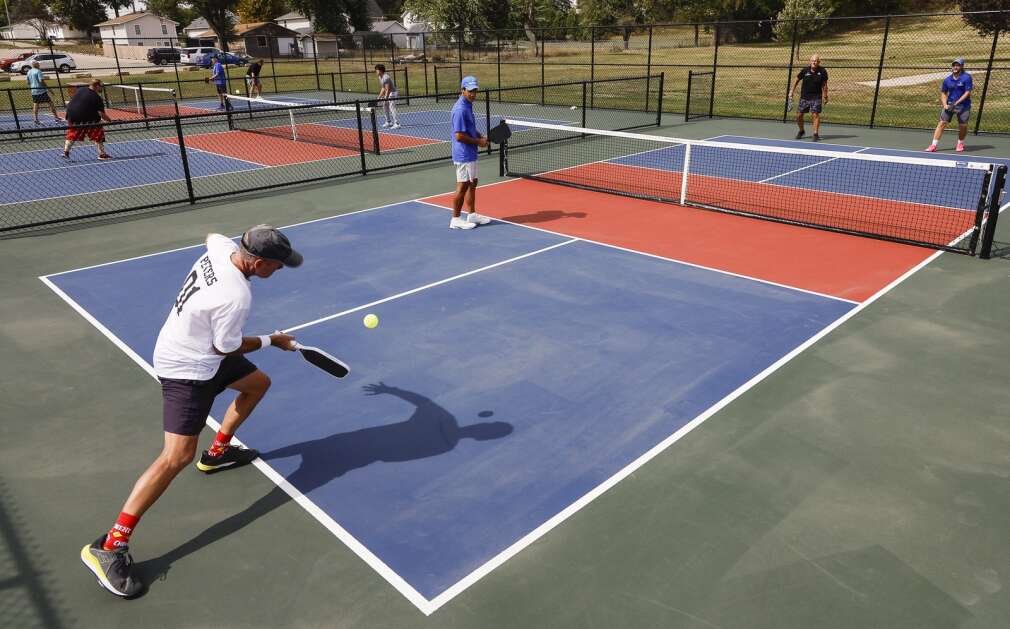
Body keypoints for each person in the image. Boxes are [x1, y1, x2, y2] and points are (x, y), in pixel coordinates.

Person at [80, 225, 303, 598]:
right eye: (277, 265)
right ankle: (110, 546)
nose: (280, 269)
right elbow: (224, 347)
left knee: (257, 384)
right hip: (188, 369)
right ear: (258, 263)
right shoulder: (236, 296)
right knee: (176, 457)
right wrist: (272, 340)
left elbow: (212, 235)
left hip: (193, 347)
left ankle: (217, 453)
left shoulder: (223, 249)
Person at [448, 76, 490, 230]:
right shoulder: (460, 109)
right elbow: (459, 135)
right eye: (470, 91)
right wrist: (479, 142)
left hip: (470, 152)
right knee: (463, 185)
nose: (473, 94)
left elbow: (469, 128)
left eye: (475, 91)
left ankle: (472, 215)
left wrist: (480, 136)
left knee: (472, 183)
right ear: (463, 90)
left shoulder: (468, 105)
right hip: (463, 154)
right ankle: (455, 219)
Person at [926, 58, 973, 153]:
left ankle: (960, 143)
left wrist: (957, 102)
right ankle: (933, 145)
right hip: (949, 105)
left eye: (957, 65)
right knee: (941, 123)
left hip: (964, 106)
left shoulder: (967, 77)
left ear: (962, 67)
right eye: (954, 65)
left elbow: (967, 92)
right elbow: (943, 93)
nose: (955, 67)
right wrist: (945, 104)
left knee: (963, 125)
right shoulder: (947, 80)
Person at [62, 79, 112, 160]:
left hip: (71, 115)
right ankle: (102, 154)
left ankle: (66, 152)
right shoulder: (97, 97)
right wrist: (110, 120)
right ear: (97, 86)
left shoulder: (81, 89)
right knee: (98, 133)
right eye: (101, 86)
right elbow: (101, 114)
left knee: (72, 134)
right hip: (85, 117)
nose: (102, 88)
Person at [790, 54, 829, 141]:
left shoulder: (822, 71)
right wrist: (791, 91)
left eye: (816, 61)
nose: (814, 62)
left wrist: (825, 96)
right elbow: (796, 80)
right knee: (799, 115)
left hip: (816, 97)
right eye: (813, 61)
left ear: (819, 62)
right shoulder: (805, 70)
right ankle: (801, 131)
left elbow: (825, 85)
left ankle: (815, 133)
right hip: (804, 97)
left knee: (815, 114)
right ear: (810, 61)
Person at [26, 60, 60, 124]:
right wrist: (49, 89)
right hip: (41, 91)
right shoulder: (38, 71)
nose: (39, 65)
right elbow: (41, 81)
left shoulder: (29, 72)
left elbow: (28, 82)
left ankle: (35, 119)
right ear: (34, 64)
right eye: (38, 64)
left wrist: (33, 83)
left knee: (36, 104)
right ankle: (56, 117)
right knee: (50, 103)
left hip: (34, 91)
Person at [375, 64, 400, 129]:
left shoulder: (386, 77)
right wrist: (379, 97)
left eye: (376, 70)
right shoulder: (380, 77)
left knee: (391, 106)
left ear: (380, 70)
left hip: (393, 93)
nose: (376, 71)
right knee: (384, 105)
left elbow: (388, 89)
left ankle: (397, 123)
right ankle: (388, 122)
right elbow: (383, 88)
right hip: (388, 92)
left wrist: (385, 98)